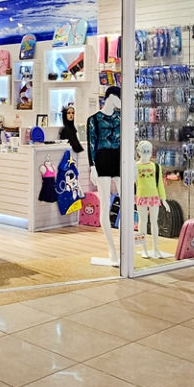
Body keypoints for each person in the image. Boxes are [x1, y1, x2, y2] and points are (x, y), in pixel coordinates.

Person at [87, 86, 121, 265]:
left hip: (119, 160)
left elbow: (126, 141)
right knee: (105, 203)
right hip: (102, 161)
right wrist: (92, 166)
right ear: (111, 97)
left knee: (126, 201)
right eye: (119, 98)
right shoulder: (94, 119)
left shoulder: (120, 118)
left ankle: (124, 246)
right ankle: (112, 249)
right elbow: (91, 144)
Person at [135, 140, 172, 259]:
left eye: (148, 151)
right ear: (139, 152)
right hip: (141, 197)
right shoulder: (135, 166)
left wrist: (163, 199)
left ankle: (156, 248)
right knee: (142, 222)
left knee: (154, 222)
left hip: (154, 197)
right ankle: (143, 249)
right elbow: (132, 182)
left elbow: (160, 184)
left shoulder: (156, 167)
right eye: (144, 151)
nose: (146, 154)